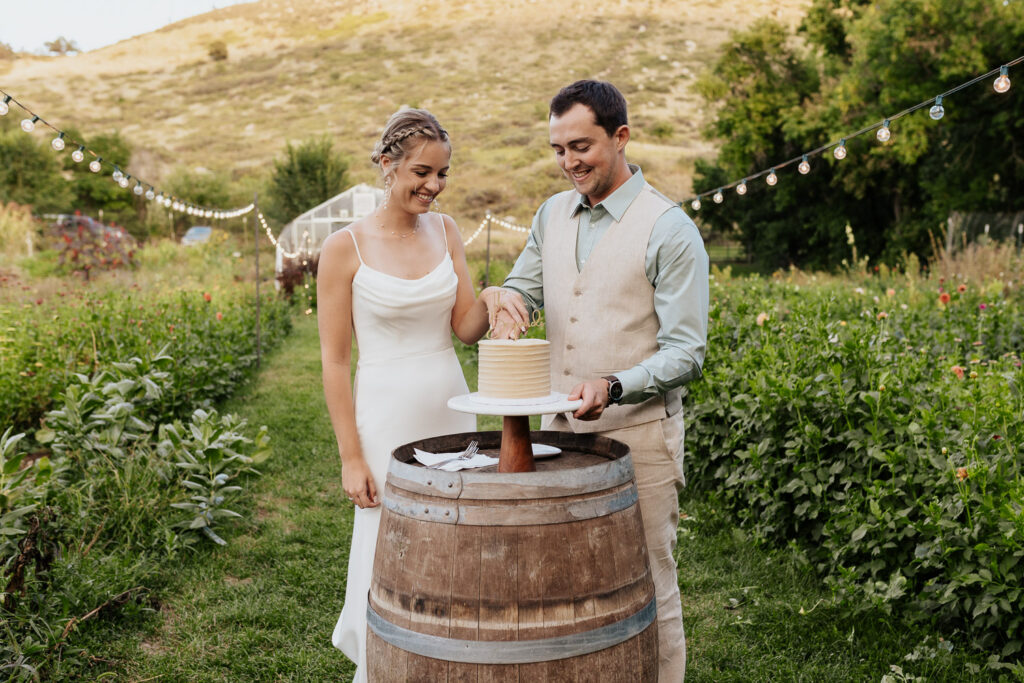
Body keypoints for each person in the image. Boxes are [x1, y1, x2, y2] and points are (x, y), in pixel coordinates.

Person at [492, 80, 709, 682]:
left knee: (648, 582)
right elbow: (526, 286)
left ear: (621, 137)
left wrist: (614, 384)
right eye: (558, 149)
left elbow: (687, 353)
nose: (569, 162)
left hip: (640, 436)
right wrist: (508, 301)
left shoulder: (670, 229)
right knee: (568, 580)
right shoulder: (549, 214)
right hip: (560, 433)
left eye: (581, 146)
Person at [317, 108, 504, 682]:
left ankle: (449, 663)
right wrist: (351, 456)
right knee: (390, 542)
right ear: (387, 164)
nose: (434, 186)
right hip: (385, 410)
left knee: (456, 536)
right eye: (422, 172)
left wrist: (495, 297)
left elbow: (464, 327)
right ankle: (387, 665)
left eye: (443, 174)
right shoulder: (343, 248)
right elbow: (335, 360)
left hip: (450, 398)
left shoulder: (447, 231)